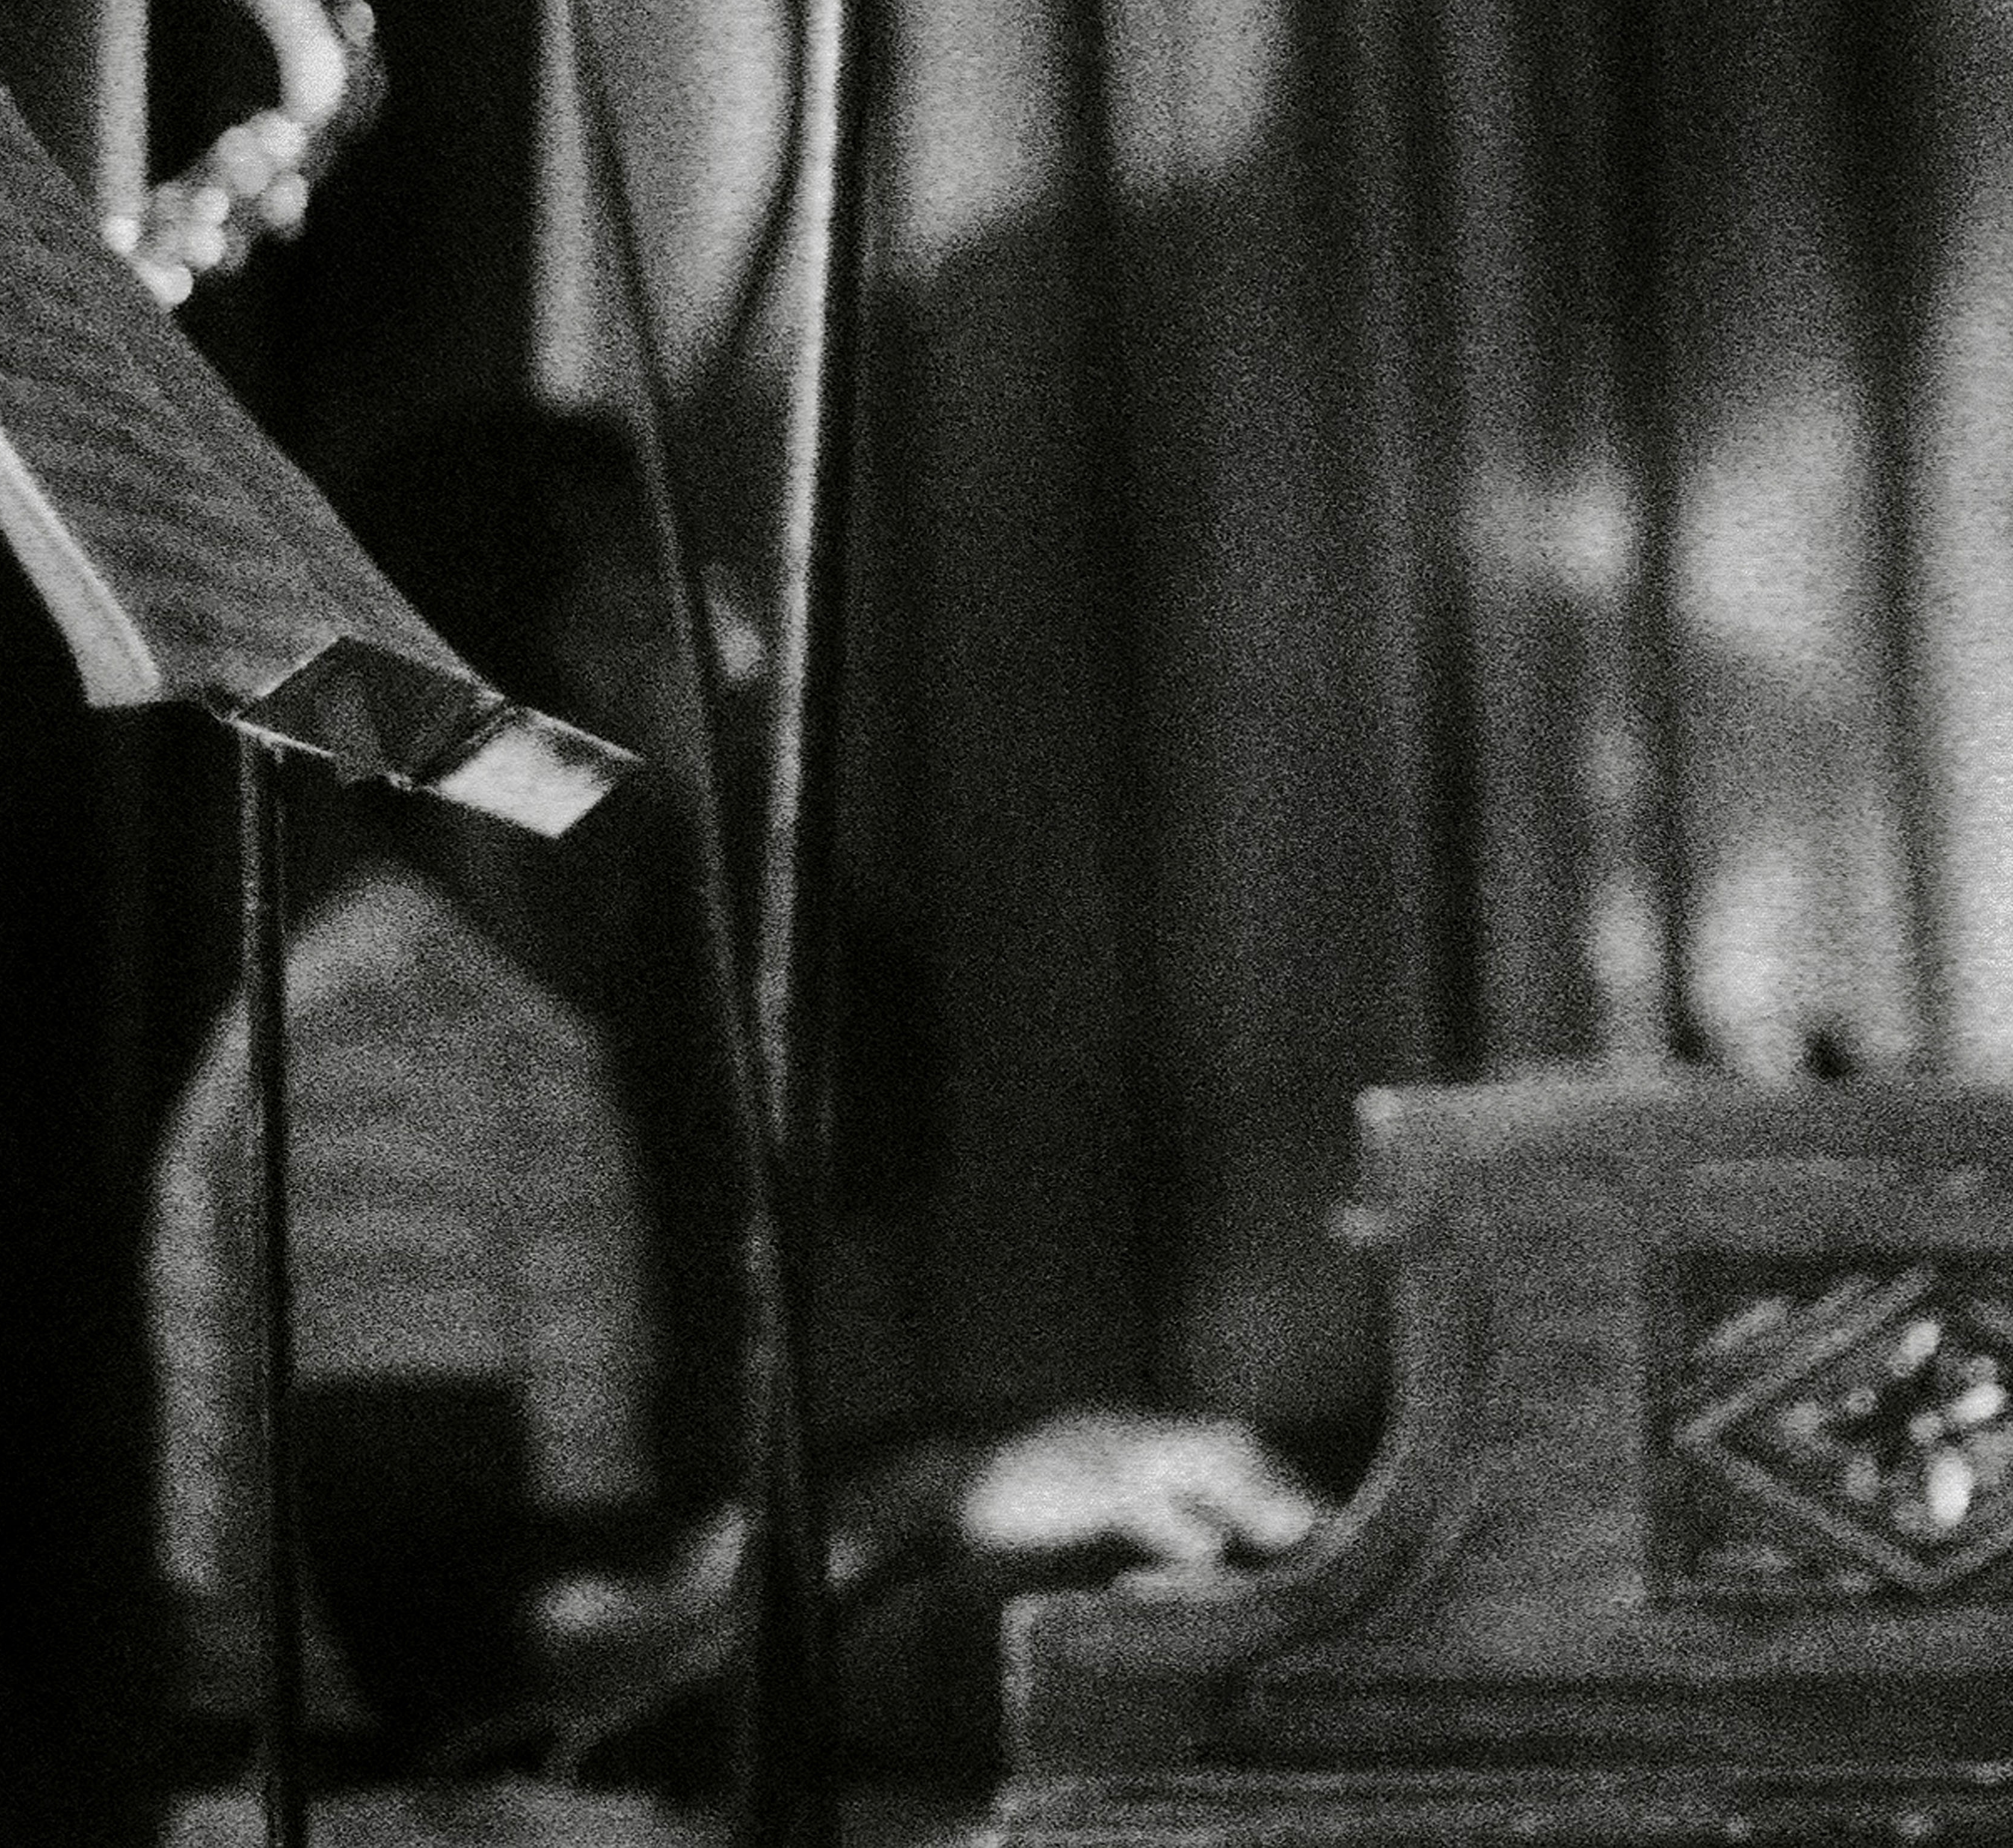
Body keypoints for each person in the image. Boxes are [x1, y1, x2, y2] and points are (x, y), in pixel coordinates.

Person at [144, 398, 1321, 1826]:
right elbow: (466, 1647)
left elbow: (644, 1551)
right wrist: (948, 1493)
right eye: (653, 622)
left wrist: (1005, 1469)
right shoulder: (376, 1044)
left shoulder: (570, 1012)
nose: (744, 661)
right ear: (496, 699)